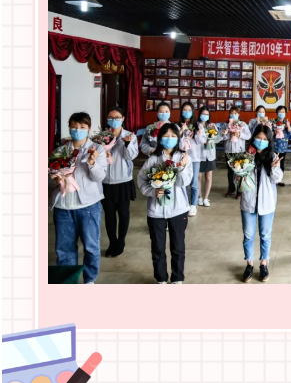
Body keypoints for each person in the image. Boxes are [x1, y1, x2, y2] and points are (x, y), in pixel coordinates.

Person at [50, 112, 107, 284]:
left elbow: (99, 177)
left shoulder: (97, 150)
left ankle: (90, 280)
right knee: (64, 249)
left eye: (82, 127)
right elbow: (48, 178)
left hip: (88, 206)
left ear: (89, 129)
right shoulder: (60, 150)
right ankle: (69, 282)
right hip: (63, 207)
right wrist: (55, 178)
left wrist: (92, 162)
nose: (77, 130)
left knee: (91, 247)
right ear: (69, 128)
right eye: (74, 126)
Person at [137, 123, 193, 284]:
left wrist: (182, 167)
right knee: (157, 248)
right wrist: (153, 192)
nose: (169, 139)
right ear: (160, 138)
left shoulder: (183, 158)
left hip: (178, 209)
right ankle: (161, 278)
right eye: (166, 136)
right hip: (156, 211)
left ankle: (177, 278)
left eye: (173, 136)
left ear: (178, 138)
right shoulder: (153, 159)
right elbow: (141, 181)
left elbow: (185, 182)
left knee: (178, 247)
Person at [238, 124, 284, 283]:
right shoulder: (246, 156)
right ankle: (249, 263)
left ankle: (264, 263)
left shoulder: (273, 157)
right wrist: (238, 174)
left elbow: (277, 179)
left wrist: (275, 168)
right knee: (248, 235)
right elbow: (238, 178)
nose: (261, 141)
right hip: (248, 201)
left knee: (265, 235)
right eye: (258, 138)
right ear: (253, 138)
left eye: (265, 139)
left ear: (269, 141)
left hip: (267, 202)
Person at [101, 107, 139, 257]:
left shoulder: (129, 136)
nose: (114, 120)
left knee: (123, 213)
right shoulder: (102, 137)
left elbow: (131, 156)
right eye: (111, 117)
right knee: (109, 214)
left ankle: (121, 241)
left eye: (117, 117)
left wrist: (127, 144)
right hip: (105, 182)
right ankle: (112, 241)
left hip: (123, 181)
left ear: (123, 118)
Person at [178, 102, 204, 217]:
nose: (187, 112)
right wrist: (181, 131)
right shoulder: (177, 125)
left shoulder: (198, 125)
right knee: (183, 182)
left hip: (194, 157)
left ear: (193, 112)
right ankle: (184, 204)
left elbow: (202, 141)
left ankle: (193, 205)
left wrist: (196, 135)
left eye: (189, 110)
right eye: (185, 110)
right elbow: (176, 142)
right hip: (182, 157)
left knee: (194, 182)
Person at [194, 106, 222, 207]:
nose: (205, 116)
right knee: (198, 177)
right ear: (199, 114)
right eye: (203, 114)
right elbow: (196, 139)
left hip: (210, 155)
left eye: (207, 114)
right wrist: (204, 141)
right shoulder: (196, 126)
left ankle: (206, 198)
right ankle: (199, 197)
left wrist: (220, 134)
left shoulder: (211, 126)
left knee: (208, 177)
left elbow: (217, 139)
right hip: (199, 155)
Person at [224, 106, 251, 199]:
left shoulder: (243, 124)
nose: (233, 115)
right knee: (230, 172)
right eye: (232, 113)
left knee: (240, 171)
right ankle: (231, 189)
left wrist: (239, 134)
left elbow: (248, 136)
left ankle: (240, 190)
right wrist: (228, 133)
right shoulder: (226, 124)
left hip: (239, 151)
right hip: (228, 151)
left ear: (239, 114)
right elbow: (221, 136)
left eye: (235, 113)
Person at [272, 105, 291, 187]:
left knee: (281, 163)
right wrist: (274, 132)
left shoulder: (287, 122)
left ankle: (280, 179)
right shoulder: (273, 122)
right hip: (274, 145)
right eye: (280, 112)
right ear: (277, 113)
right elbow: (268, 133)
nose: (281, 113)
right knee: (273, 161)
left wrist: (288, 127)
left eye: (283, 112)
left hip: (283, 146)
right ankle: (272, 178)